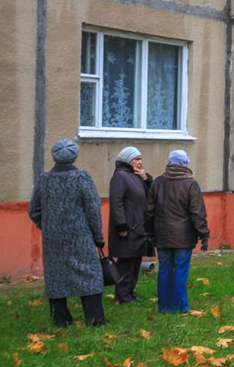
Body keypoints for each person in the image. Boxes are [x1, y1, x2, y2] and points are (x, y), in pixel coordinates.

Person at [28, 139, 107, 327]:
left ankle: (61, 320)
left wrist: (47, 226)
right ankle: (95, 319)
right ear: (75, 156)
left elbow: (33, 210)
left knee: (56, 276)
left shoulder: (44, 180)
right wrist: (98, 237)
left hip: (53, 238)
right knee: (89, 274)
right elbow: (93, 209)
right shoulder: (83, 178)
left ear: (54, 156)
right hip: (81, 237)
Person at [145, 150, 209, 314]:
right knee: (180, 270)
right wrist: (204, 233)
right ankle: (179, 307)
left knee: (165, 269)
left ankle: (164, 306)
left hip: (162, 235)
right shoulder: (190, 184)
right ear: (184, 164)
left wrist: (151, 233)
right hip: (183, 235)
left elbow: (148, 212)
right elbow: (197, 213)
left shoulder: (158, 182)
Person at [108, 146, 153, 305]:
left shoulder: (135, 176)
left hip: (138, 228)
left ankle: (130, 293)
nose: (140, 162)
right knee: (126, 265)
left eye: (141, 159)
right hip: (127, 229)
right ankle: (122, 297)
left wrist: (146, 178)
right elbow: (116, 202)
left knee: (135, 264)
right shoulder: (120, 176)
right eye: (136, 159)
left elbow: (150, 194)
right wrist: (121, 226)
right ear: (127, 160)